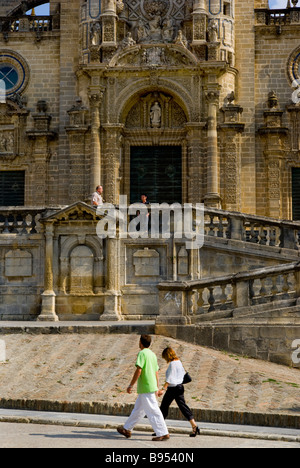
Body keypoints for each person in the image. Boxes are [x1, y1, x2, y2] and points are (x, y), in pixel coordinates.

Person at [117, 335, 170, 442]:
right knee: (138, 410)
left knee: (153, 411)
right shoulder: (152, 354)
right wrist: (157, 387)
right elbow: (156, 372)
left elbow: (139, 370)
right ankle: (127, 428)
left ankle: (163, 433)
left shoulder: (142, 353)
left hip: (146, 387)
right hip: (150, 386)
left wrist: (130, 385)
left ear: (141, 342)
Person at [157, 347, 200, 438]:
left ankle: (160, 430)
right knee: (183, 407)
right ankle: (194, 426)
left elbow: (169, 379)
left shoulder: (172, 364)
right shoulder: (179, 362)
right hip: (180, 387)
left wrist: (163, 390)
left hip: (173, 388)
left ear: (167, 355)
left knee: (164, 407)